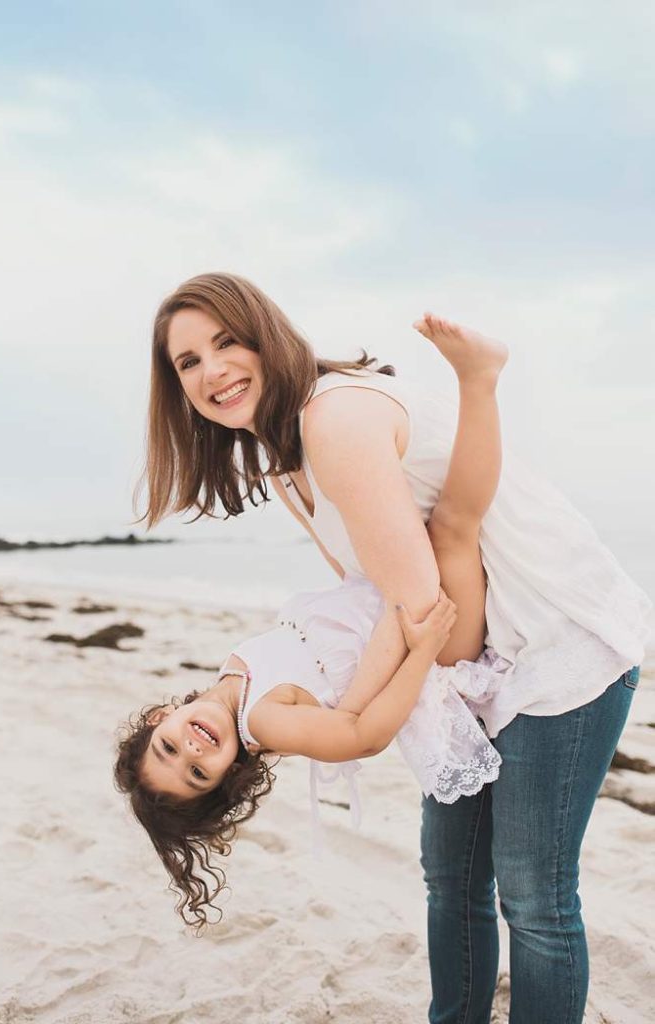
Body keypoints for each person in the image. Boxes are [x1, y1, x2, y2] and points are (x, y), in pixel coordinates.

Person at [136, 272, 651, 1024]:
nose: (211, 371)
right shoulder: (284, 458)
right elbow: (368, 588)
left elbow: (418, 605)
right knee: (451, 876)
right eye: (187, 362)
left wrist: (382, 691)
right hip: (464, 659)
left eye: (226, 341)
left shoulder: (332, 423)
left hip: (546, 642)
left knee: (533, 891)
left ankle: (483, 380)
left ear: (265, 332)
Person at [116, 324, 507, 929]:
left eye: (169, 747)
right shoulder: (265, 718)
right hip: (420, 635)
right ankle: (479, 382)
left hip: (383, 605)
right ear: (226, 778)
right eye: (197, 772)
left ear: (155, 720)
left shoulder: (233, 678)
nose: (191, 749)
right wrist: (424, 649)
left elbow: (340, 564)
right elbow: (362, 733)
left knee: (429, 531)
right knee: (452, 529)